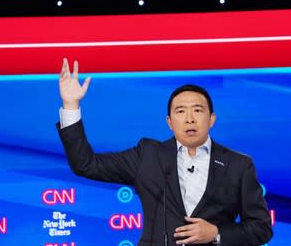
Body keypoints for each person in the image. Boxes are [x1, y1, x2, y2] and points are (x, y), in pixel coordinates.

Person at [57, 58, 273, 246]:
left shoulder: (238, 165)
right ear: (169, 122)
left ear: (212, 119)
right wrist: (70, 105)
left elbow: (261, 228)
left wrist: (216, 234)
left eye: (198, 110)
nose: (189, 118)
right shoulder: (148, 156)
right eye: (181, 111)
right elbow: (85, 164)